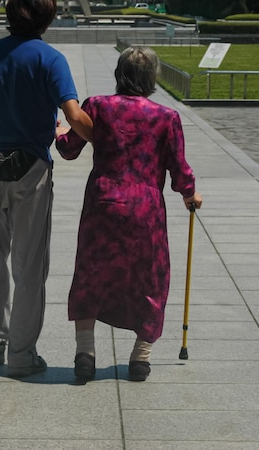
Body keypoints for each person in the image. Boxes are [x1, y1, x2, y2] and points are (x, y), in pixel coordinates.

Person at [55, 46, 202, 382]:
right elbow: (179, 170)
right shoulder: (166, 118)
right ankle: (141, 356)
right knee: (151, 277)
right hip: (145, 207)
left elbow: (69, 149)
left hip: (103, 201)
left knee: (91, 271)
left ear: (119, 74)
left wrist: (59, 134)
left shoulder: (97, 106)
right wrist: (190, 193)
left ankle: (85, 351)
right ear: (153, 79)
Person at [0, 0, 93, 378]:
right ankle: (21, 354)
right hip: (30, 168)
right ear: (48, 16)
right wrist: (108, 139)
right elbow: (74, 116)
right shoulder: (50, 59)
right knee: (29, 264)